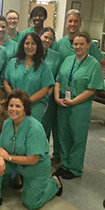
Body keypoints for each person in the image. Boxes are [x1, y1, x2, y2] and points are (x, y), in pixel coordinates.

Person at [0, 89, 62, 210]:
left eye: (18, 106)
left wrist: (8, 158)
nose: (13, 109)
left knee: (31, 204)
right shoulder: (8, 123)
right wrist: (0, 158)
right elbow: (2, 146)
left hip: (34, 168)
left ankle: (54, 182)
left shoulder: (34, 128)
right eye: (11, 105)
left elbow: (33, 159)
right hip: (15, 163)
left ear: (25, 108)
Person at [54, 32, 104, 179]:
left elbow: (92, 89)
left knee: (77, 137)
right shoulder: (68, 60)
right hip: (63, 102)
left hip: (79, 106)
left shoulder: (93, 64)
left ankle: (74, 168)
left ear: (88, 45)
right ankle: (65, 164)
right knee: (63, 135)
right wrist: (57, 97)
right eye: (75, 44)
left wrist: (74, 102)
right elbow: (58, 80)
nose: (78, 47)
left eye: (82, 44)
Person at [4, 32, 55, 123]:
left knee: (31, 133)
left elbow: (45, 88)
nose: (30, 46)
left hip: (33, 108)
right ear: (22, 45)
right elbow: (6, 82)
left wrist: (27, 102)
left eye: (33, 44)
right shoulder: (13, 63)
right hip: (14, 108)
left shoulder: (43, 66)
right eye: (27, 43)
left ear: (38, 46)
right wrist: (15, 100)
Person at [40, 27, 63, 164]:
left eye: (50, 38)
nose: (47, 40)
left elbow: (57, 77)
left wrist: (49, 92)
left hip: (49, 98)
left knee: (45, 128)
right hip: (33, 96)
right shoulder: (32, 51)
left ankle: (42, 155)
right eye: (45, 37)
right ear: (40, 37)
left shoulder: (56, 56)